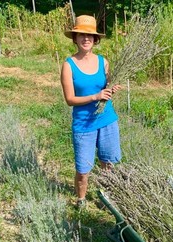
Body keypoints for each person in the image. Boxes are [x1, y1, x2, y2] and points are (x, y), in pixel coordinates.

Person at [61, 15, 122, 209]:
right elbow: (70, 99)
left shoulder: (104, 62)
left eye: (89, 35)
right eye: (81, 35)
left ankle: (107, 197)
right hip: (84, 124)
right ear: (75, 38)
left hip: (106, 120)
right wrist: (96, 96)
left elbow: (108, 87)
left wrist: (112, 89)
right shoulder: (68, 65)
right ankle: (81, 199)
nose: (86, 39)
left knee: (108, 163)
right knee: (83, 169)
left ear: (95, 39)